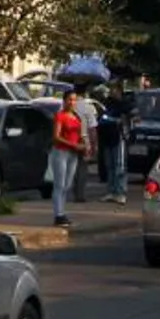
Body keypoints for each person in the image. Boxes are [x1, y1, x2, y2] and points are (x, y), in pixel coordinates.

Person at [50, 89, 87, 226]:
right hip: (61, 152)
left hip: (73, 154)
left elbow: (80, 135)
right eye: (69, 99)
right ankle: (58, 215)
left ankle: (62, 213)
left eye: (74, 99)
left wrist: (83, 145)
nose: (72, 102)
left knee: (67, 185)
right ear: (64, 101)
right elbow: (56, 137)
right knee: (59, 185)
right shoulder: (60, 116)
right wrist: (73, 144)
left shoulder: (76, 116)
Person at [97, 89, 128, 204]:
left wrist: (117, 121)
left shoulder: (124, 105)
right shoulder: (106, 105)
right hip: (106, 139)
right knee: (109, 166)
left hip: (119, 139)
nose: (112, 93)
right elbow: (100, 119)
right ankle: (111, 192)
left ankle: (120, 193)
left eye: (115, 90)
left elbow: (126, 120)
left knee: (119, 166)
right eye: (111, 90)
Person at [71, 89, 99, 203]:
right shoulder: (88, 108)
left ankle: (74, 191)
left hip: (70, 141)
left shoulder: (68, 106)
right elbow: (92, 129)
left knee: (72, 167)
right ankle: (80, 194)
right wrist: (94, 145)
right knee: (82, 168)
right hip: (84, 141)